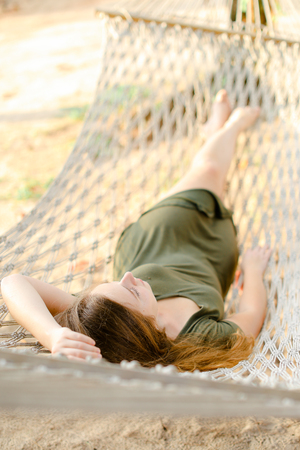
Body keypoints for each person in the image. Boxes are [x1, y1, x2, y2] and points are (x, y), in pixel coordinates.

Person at [1, 90, 272, 372]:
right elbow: (251, 316)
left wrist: (52, 335)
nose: (129, 277)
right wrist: (252, 269)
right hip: (215, 250)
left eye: (119, 283)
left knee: (210, 170)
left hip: (157, 236)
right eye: (130, 291)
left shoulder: (100, 319)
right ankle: (214, 132)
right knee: (210, 181)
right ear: (140, 326)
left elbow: (13, 282)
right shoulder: (200, 338)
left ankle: (232, 126)